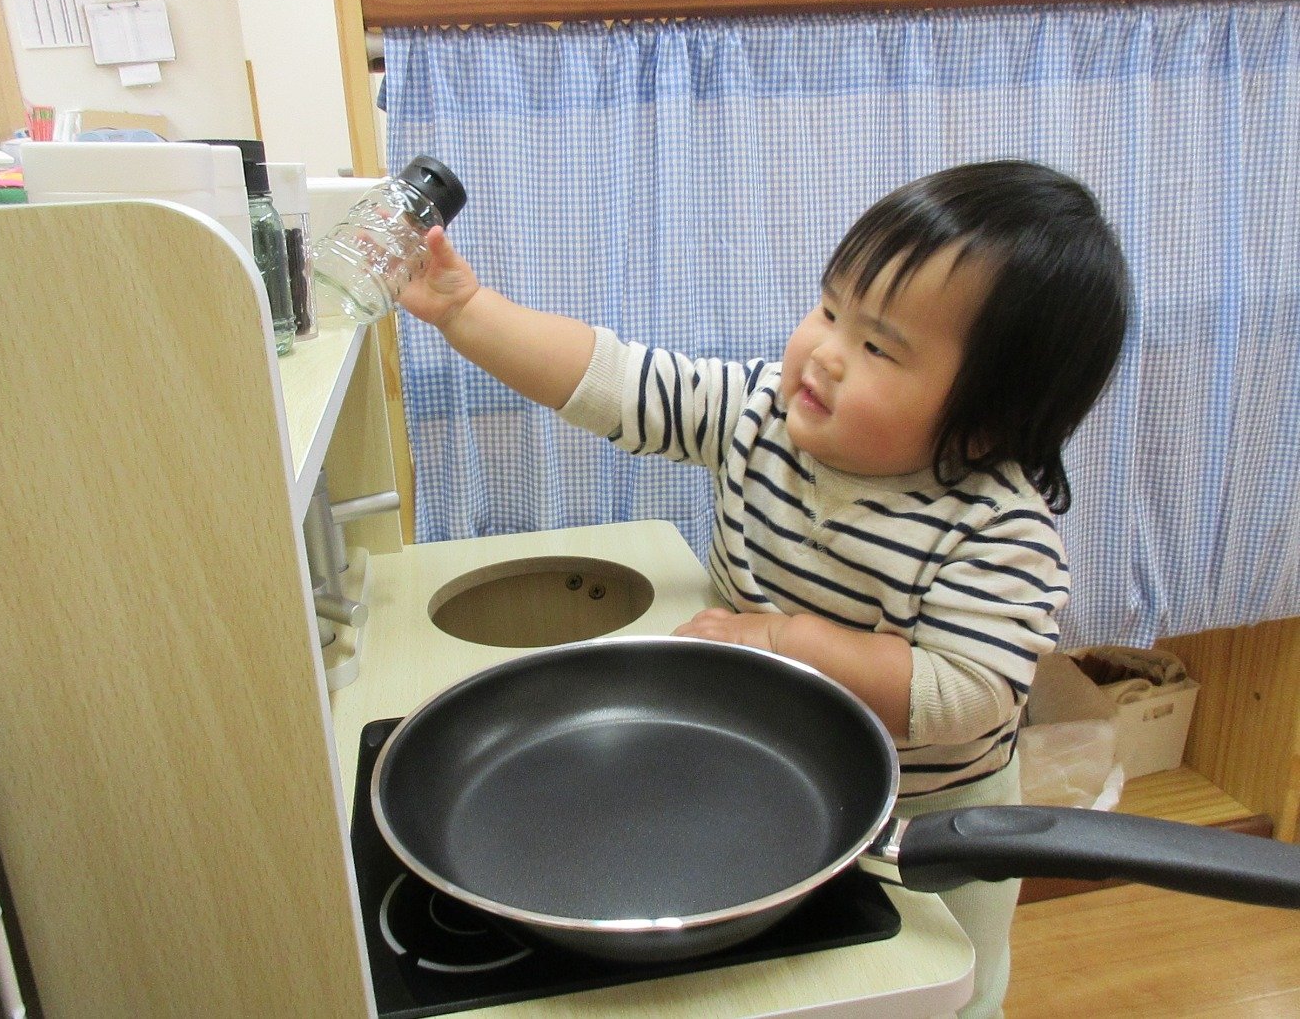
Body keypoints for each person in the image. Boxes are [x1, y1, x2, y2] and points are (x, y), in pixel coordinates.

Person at [397, 159, 1129, 1018]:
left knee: (935, 988)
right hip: (768, 781)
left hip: (929, 825)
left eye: (878, 347)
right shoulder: (761, 411)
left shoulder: (996, 528)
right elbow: (615, 383)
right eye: (830, 309)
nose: (825, 352)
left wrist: (786, 642)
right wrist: (468, 312)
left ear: (987, 421)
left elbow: (965, 694)